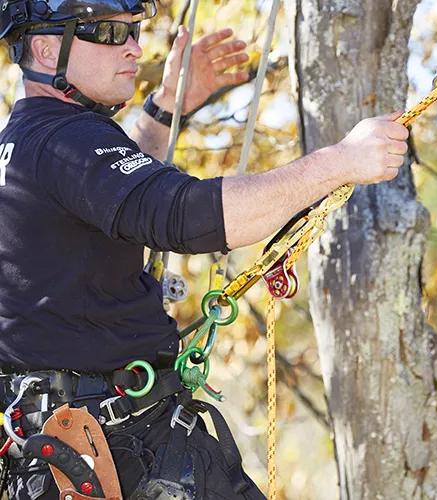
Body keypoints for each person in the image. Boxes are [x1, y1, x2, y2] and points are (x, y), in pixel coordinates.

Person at [0, 0, 410, 497]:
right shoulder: (65, 142)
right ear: (45, 49)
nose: (133, 47)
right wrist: (340, 161)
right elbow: (189, 216)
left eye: (134, 32)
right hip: (120, 445)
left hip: (82, 441)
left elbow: (116, 195)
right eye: (109, 32)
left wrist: (167, 105)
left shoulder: (28, 143)